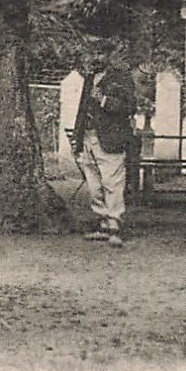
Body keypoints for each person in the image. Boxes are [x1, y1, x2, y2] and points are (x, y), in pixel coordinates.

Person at [72, 51, 137, 248]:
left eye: (100, 53)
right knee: (94, 184)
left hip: (111, 138)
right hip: (88, 137)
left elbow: (130, 107)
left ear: (109, 57)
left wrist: (103, 100)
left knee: (112, 182)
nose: (95, 58)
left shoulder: (122, 78)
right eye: (93, 54)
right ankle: (102, 222)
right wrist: (77, 137)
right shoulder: (90, 78)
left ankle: (115, 225)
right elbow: (82, 109)